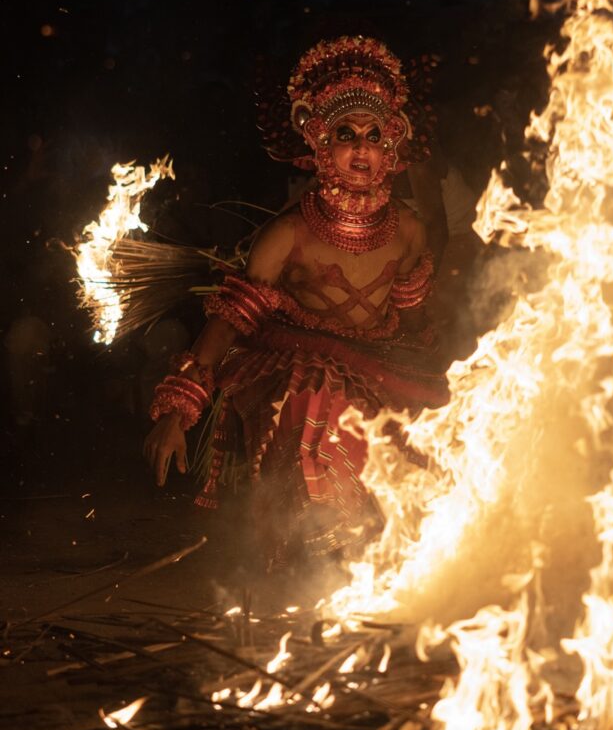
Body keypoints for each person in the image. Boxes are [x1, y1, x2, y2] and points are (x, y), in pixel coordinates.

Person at [143, 36, 447, 565]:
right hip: (296, 366)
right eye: (346, 134)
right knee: (319, 397)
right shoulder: (290, 232)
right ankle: (320, 557)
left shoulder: (411, 231)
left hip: (379, 364)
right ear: (321, 144)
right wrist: (180, 410)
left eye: (374, 136)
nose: (361, 148)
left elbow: (415, 324)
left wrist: (445, 381)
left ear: (391, 148)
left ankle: (379, 565)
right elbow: (229, 321)